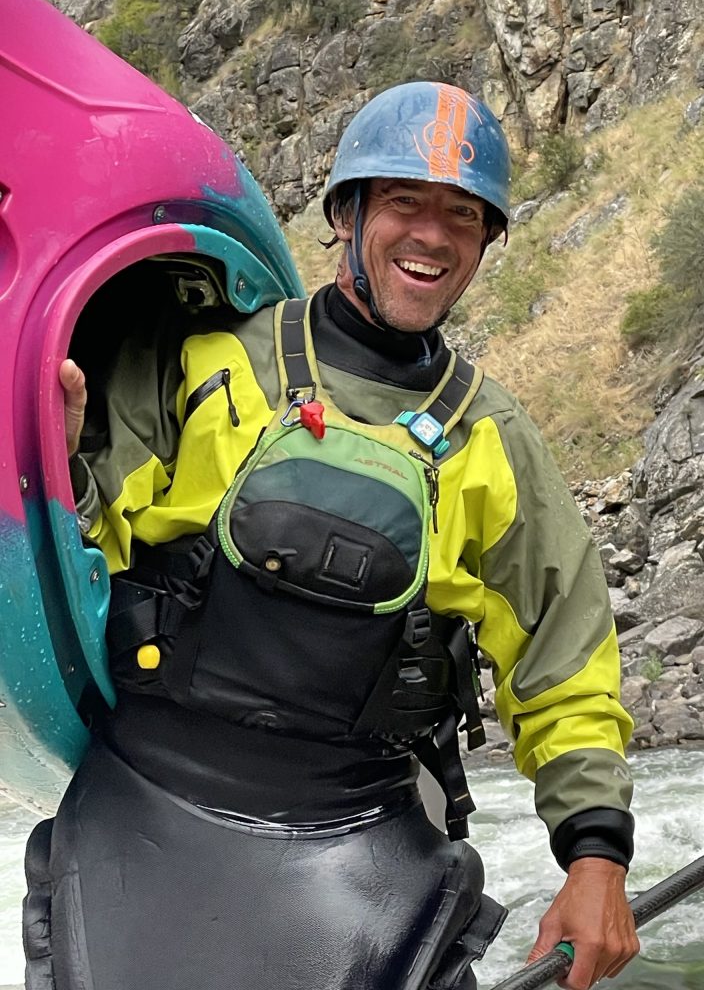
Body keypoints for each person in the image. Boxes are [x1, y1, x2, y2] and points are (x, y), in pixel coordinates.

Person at [27, 81, 639, 990]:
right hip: (147, 809)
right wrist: (55, 458)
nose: (432, 235)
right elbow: (79, 539)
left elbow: (565, 657)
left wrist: (596, 859)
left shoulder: (494, 444)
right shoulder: (210, 360)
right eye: (404, 202)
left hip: (359, 838)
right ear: (346, 212)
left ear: (483, 244)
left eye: (464, 217)